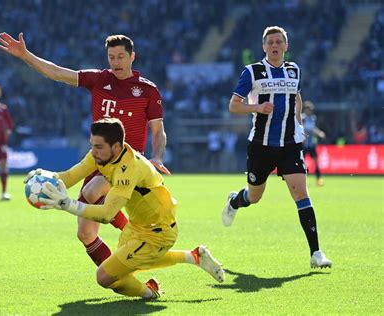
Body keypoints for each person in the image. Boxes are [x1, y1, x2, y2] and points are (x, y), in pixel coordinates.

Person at [0, 32, 170, 266]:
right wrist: (26, 55)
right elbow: (58, 73)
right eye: (111, 57)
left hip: (127, 165)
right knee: (86, 234)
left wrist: (157, 156)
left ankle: (130, 232)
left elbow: (158, 131)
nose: (116, 62)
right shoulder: (99, 80)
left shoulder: (147, 90)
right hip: (97, 160)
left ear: (132, 57)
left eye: (121, 57)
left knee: (91, 190)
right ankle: (120, 275)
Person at [30, 118, 224, 299]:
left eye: (98, 147)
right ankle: (193, 256)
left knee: (104, 277)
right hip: (137, 226)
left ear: (116, 146)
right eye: (92, 146)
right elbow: (72, 176)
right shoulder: (103, 155)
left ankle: (148, 292)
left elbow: (107, 214)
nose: (93, 151)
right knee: (129, 266)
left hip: (158, 231)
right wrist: (49, 177)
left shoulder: (129, 169)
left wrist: (67, 204)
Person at [222, 26, 332, 268]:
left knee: (301, 193)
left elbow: (297, 98)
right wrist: (257, 108)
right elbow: (234, 105)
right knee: (254, 196)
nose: (274, 45)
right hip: (261, 146)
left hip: (290, 144)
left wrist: (300, 127)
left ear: (286, 46)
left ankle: (316, 253)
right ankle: (234, 201)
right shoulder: (252, 72)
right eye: (270, 42)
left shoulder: (294, 71)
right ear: (264, 47)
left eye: (278, 41)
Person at [302, 101, 326, 186]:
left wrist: (319, 133)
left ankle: (319, 179)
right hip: (304, 145)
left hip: (312, 144)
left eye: (310, 109)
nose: (309, 111)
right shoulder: (302, 118)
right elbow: (300, 129)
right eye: (307, 109)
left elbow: (313, 129)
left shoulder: (313, 118)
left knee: (316, 163)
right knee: (301, 163)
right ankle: (302, 181)